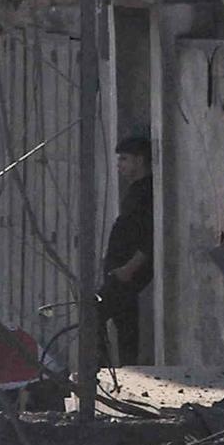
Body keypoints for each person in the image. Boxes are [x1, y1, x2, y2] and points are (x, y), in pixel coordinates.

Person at [99, 132, 155, 369]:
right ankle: (127, 370)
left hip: (127, 270)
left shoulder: (146, 191)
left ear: (139, 160)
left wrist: (130, 267)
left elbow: (149, 236)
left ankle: (100, 373)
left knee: (94, 313)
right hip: (120, 268)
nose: (119, 165)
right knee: (125, 323)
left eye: (124, 159)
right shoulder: (136, 190)